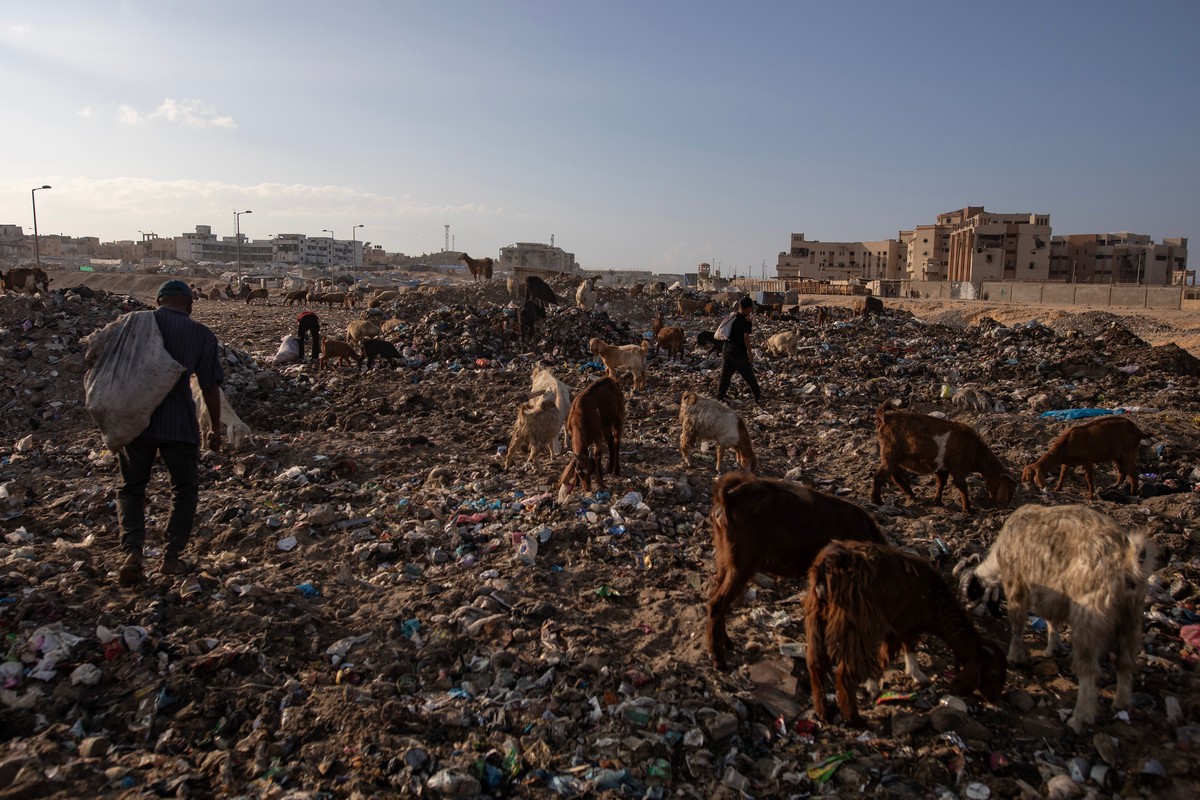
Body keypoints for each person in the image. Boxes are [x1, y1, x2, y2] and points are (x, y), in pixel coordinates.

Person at [116, 280, 224, 584]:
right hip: (179, 424)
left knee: (131, 488)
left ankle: (133, 553)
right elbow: (209, 386)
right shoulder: (201, 334)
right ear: (190, 305)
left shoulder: (135, 324)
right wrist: (214, 428)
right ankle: (171, 557)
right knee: (184, 490)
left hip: (137, 421)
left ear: (157, 301)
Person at [716, 296, 763, 405]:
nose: (752, 310)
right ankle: (758, 397)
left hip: (727, 350)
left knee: (725, 375)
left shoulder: (732, 316)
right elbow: (746, 337)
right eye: (751, 308)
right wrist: (750, 353)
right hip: (739, 353)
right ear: (747, 308)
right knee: (749, 375)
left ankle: (719, 397)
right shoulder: (746, 321)